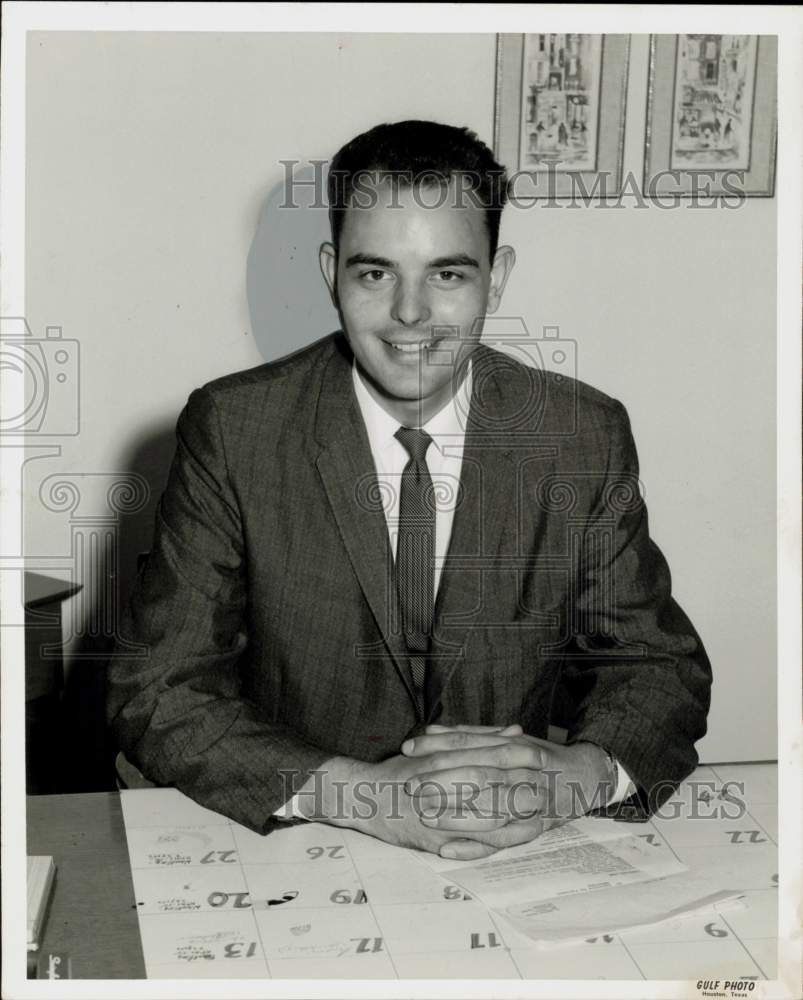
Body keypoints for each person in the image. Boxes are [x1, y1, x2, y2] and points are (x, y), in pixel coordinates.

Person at [106, 120, 711, 862]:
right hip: (303, 835)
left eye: (447, 274)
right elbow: (158, 686)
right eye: (375, 273)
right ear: (332, 271)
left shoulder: (579, 435)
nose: (410, 313)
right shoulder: (235, 428)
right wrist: (362, 795)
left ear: (497, 275)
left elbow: (656, 666)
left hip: (508, 846)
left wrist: (575, 776)